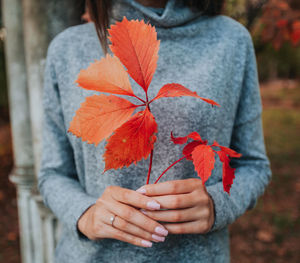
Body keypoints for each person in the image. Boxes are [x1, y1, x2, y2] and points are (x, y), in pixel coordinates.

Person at [38, 0, 272, 262]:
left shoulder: (232, 41)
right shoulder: (68, 48)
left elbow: (254, 165)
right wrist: (85, 213)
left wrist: (219, 204)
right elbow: (52, 174)